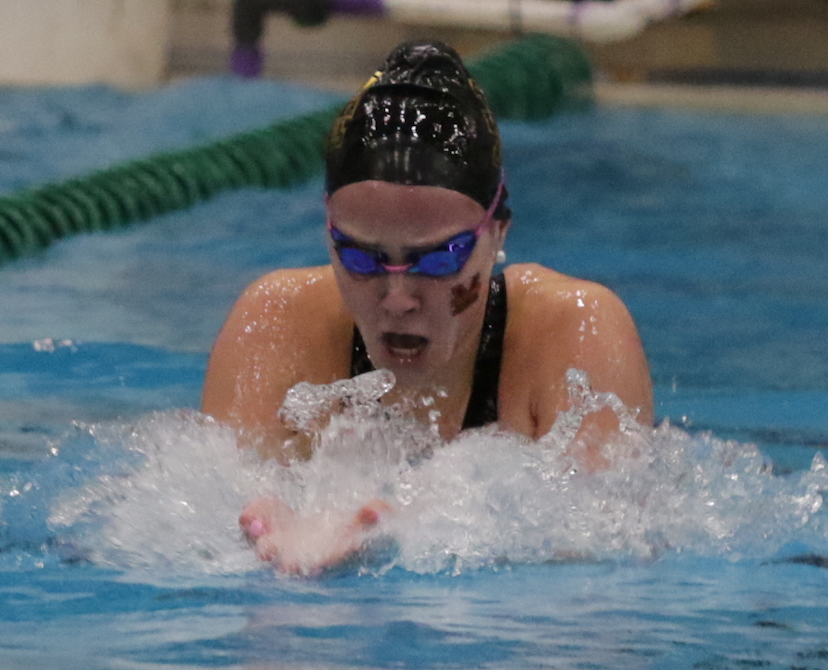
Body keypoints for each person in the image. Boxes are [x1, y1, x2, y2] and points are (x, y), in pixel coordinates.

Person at [202, 41, 653, 575]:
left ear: (498, 231)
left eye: (439, 260)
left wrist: (418, 537)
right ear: (327, 232)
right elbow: (197, 529)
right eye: (361, 257)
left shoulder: (574, 331)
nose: (397, 299)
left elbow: (605, 574)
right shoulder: (276, 321)